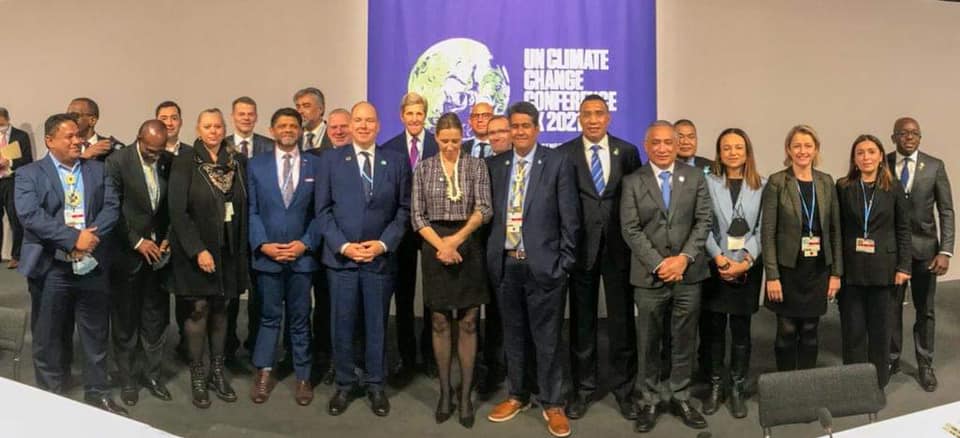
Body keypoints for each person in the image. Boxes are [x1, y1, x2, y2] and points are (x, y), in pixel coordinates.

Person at [15, 113, 124, 414]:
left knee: (95, 332)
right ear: (49, 141)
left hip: (92, 264)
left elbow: (111, 208)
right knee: (48, 336)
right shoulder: (29, 174)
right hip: (51, 267)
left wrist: (90, 239)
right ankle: (50, 399)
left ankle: (98, 392)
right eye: (70, 136)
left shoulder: (98, 170)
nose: (78, 141)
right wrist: (73, 239)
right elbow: (30, 215)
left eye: (79, 135)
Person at [485, 102, 579, 438]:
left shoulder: (557, 162)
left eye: (526, 125)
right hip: (507, 263)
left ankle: (552, 403)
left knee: (547, 339)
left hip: (545, 266)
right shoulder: (495, 165)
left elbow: (570, 218)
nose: (520, 131)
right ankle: (517, 395)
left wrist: (563, 264)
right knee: (513, 336)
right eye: (515, 126)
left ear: (537, 128)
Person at [317, 101, 410, 417]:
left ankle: (375, 384)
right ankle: (344, 384)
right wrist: (344, 246)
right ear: (351, 125)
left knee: (376, 324)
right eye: (358, 120)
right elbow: (322, 211)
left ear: (378, 126)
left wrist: (383, 244)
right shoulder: (331, 160)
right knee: (342, 324)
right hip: (342, 261)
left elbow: (404, 210)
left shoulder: (395, 161)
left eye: (370, 120)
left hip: (379, 260)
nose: (363, 125)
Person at [621, 120, 712, 433]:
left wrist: (683, 259)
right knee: (648, 340)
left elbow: (703, 221)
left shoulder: (696, 177)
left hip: (688, 274)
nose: (662, 148)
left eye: (668, 142)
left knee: (684, 338)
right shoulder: (633, 181)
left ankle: (681, 395)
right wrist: (660, 264)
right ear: (646, 146)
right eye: (655, 143)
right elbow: (630, 229)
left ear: (676, 146)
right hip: (650, 277)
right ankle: (648, 399)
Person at [556, 94, 642, 420]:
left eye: (599, 113)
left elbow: (636, 199)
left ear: (608, 117)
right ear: (579, 118)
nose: (593, 119)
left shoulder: (627, 151)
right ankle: (583, 389)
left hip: (620, 249)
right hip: (580, 250)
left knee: (622, 324)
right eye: (587, 114)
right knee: (582, 324)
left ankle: (625, 390)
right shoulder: (564, 153)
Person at [412, 112, 492, 428]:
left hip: (467, 243)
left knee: (469, 322)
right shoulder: (423, 168)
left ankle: (466, 395)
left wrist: (456, 241)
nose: (449, 146)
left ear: (463, 138)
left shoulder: (476, 166)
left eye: (455, 141)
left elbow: (484, 208)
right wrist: (441, 246)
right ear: (435, 138)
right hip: (434, 244)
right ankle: (445, 392)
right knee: (440, 320)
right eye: (444, 141)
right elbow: (417, 216)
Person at [168, 108, 250, 408]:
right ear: (198, 129)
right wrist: (198, 250)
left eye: (218, 126)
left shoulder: (236, 162)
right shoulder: (185, 161)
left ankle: (217, 371)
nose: (213, 131)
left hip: (228, 249)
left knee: (221, 308)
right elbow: (177, 212)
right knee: (198, 310)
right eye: (207, 126)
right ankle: (198, 374)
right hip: (196, 250)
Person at [248, 108, 322, 406]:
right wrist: (262, 244)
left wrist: (305, 243)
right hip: (268, 257)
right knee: (268, 317)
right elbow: (252, 211)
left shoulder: (315, 165)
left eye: (293, 125)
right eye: (282, 125)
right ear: (272, 130)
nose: (288, 130)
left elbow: (321, 213)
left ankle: (303, 376)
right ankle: (264, 372)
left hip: (301, 258)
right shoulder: (256, 165)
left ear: (300, 130)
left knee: (300, 319)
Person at [761, 124, 842, 373]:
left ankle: (806, 383)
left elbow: (835, 231)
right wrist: (772, 276)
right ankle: (785, 383)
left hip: (817, 269)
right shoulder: (777, 182)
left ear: (816, 149)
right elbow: (768, 233)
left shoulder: (826, 182)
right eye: (797, 145)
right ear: (788, 149)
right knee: (786, 330)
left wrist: (836, 273)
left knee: (810, 329)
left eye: (808, 146)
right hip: (787, 270)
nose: (802, 151)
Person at [104, 120, 174, 407]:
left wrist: (167, 238)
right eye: (150, 150)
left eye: (160, 150)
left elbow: (172, 206)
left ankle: (153, 375)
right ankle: (128, 379)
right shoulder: (117, 162)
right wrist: (137, 242)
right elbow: (113, 209)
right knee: (125, 321)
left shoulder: (167, 161)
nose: (155, 156)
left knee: (156, 319)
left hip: (158, 257)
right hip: (127, 255)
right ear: (139, 139)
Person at [699, 128, 765, 419]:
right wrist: (719, 258)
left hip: (747, 267)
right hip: (716, 265)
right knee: (714, 330)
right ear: (719, 153)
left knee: (741, 331)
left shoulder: (762, 185)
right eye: (726, 148)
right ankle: (715, 385)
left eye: (738, 147)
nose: (733, 152)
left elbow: (764, 228)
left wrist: (746, 261)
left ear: (747, 151)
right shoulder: (707, 183)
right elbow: (702, 224)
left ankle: (737, 386)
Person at [837, 134, 911, 389]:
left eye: (871, 152)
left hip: (885, 270)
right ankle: (854, 384)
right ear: (854, 159)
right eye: (860, 153)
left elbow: (904, 229)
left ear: (881, 157)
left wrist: (904, 266)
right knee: (853, 331)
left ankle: (877, 384)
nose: (866, 157)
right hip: (852, 271)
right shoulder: (843, 187)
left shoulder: (894, 187)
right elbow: (838, 230)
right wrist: (836, 270)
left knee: (880, 331)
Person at [887, 116, 954, 392]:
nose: (909, 137)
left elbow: (946, 210)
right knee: (891, 308)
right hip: (893, 252)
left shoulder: (935, 166)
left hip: (926, 252)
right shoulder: (883, 164)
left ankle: (925, 364)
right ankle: (891, 360)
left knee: (925, 310)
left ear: (920, 137)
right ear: (893, 137)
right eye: (903, 133)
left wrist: (945, 250)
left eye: (914, 133)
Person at [382, 92, 439, 381]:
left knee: (432, 295)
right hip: (402, 230)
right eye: (410, 113)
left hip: (432, 229)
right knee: (403, 296)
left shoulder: (437, 145)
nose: (415, 119)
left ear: (425, 116)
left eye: (419, 113)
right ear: (402, 116)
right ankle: (406, 357)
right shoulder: (389, 148)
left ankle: (430, 355)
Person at [476, 113, 511, 396]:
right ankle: (493, 370)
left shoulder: (530, 164)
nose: (497, 136)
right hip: (491, 251)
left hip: (523, 252)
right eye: (492, 133)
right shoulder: (484, 167)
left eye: (502, 131)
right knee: (495, 316)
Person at [0, 107, 34, 269]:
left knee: (15, 219)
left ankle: (17, 256)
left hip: (12, 181)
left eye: (1, 124)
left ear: (7, 119)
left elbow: (28, 160)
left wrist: (10, 162)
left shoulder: (20, 136)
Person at [295, 87, 332, 151]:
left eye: (306, 106)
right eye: (298, 107)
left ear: (321, 109)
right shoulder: (294, 137)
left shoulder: (335, 134)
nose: (300, 111)